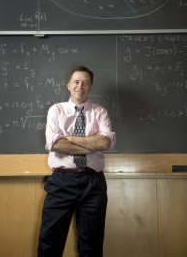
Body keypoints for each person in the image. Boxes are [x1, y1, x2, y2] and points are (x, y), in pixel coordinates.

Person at [38, 65, 116, 257]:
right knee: (50, 242)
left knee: (92, 244)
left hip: (93, 184)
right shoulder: (56, 110)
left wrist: (70, 138)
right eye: (76, 82)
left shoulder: (100, 112)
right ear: (69, 85)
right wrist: (91, 142)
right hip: (61, 182)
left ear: (91, 87)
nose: (80, 86)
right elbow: (55, 145)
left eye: (85, 83)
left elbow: (105, 142)